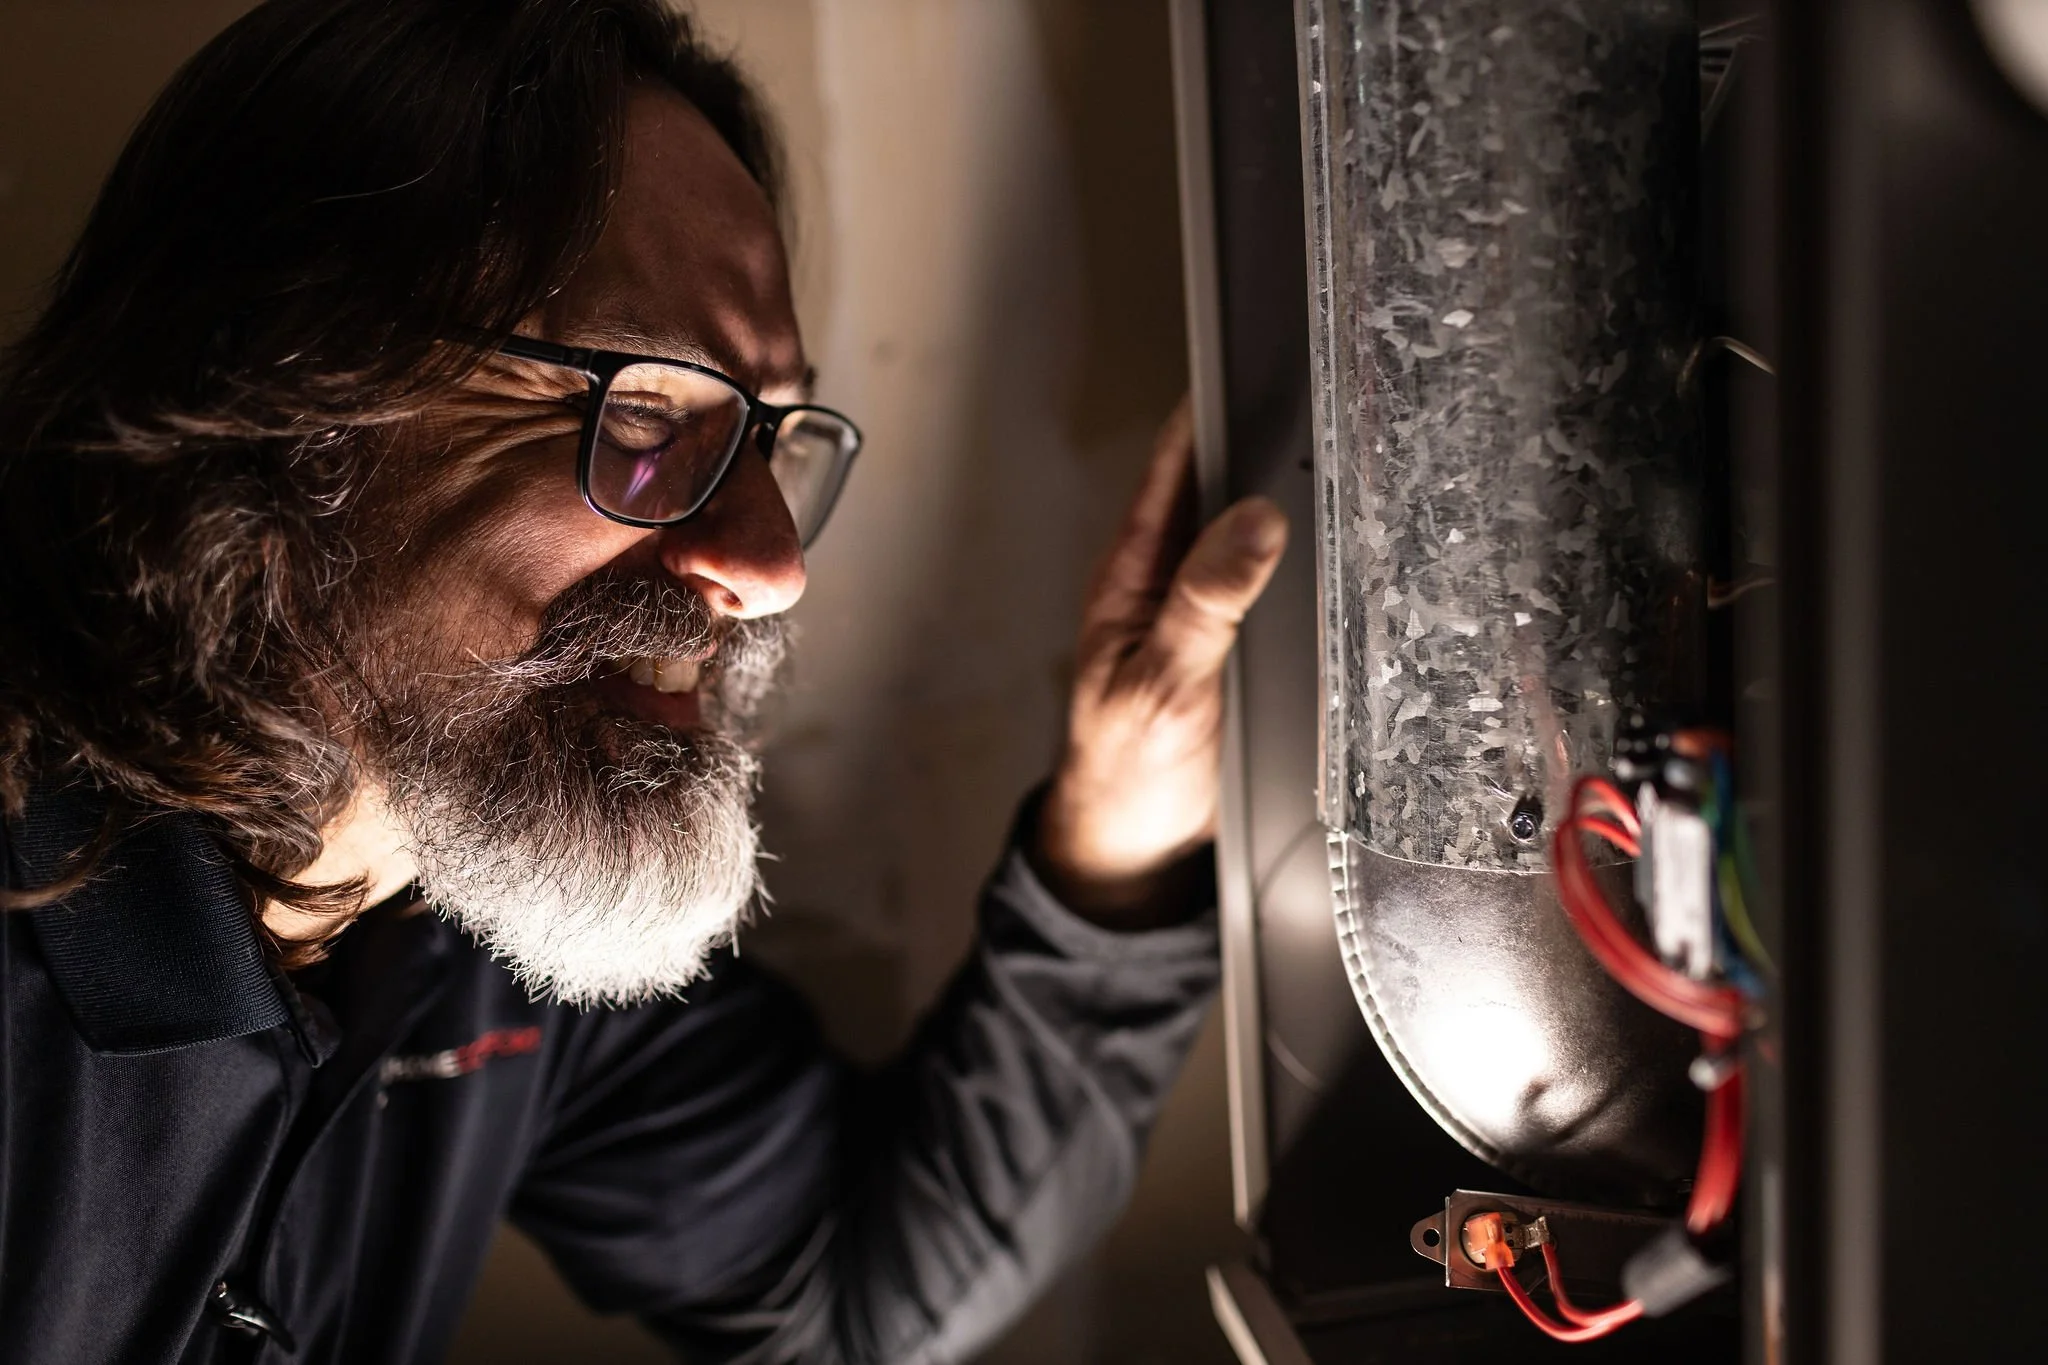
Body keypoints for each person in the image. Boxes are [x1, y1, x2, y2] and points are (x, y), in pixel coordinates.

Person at [0, 2, 1286, 1361]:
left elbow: (850, 1291)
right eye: (650, 412)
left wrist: (1116, 831)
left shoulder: (475, 901)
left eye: (770, 441)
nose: (773, 566)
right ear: (287, 389)